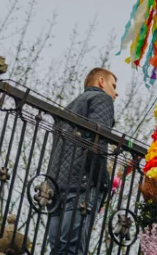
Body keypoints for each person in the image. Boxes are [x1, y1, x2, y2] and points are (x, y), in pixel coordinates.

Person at [45, 67, 118, 255]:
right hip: (83, 183)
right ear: (101, 82)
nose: (116, 92)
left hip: (57, 185)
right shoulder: (102, 99)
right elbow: (97, 140)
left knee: (57, 247)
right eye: (113, 85)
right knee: (73, 246)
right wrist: (102, 180)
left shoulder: (69, 107)